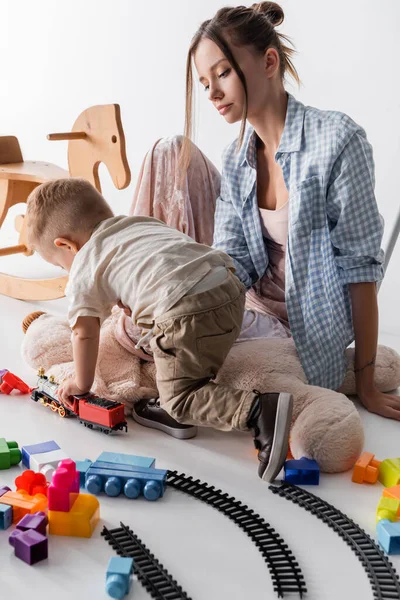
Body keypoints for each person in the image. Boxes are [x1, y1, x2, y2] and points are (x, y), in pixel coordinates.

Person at [173, 1, 397, 419]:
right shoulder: (237, 156)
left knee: (184, 354)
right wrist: (181, 296)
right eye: (204, 82)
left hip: (309, 327)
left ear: (269, 62)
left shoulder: (338, 141)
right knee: (159, 332)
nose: (212, 93)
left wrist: (366, 383)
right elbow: (231, 263)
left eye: (222, 73)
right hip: (254, 315)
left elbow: (361, 269)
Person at [25, 177, 293, 482]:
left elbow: (84, 333)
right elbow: (161, 266)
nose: (66, 271)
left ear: (66, 245)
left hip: (186, 310)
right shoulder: (136, 224)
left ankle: (259, 409)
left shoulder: (85, 263)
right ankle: (187, 384)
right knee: (182, 352)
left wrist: (80, 382)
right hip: (229, 288)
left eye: (61, 265)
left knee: (180, 399)